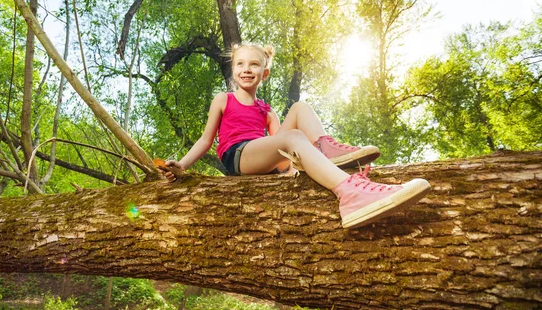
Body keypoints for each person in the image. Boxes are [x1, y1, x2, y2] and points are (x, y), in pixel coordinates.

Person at [160, 43, 430, 229]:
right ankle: (350, 194)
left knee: (300, 108)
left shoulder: (267, 111)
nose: (246, 69)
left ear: (263, 74)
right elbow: (206, 140)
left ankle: (334, 159)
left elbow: (285, 157)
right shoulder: (223, 100)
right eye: (240, 63)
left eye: (254, 64)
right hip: (238, 156)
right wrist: (182, 165)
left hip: (263, 159)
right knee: (295, 137)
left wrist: (296, 171)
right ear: (233, 70)